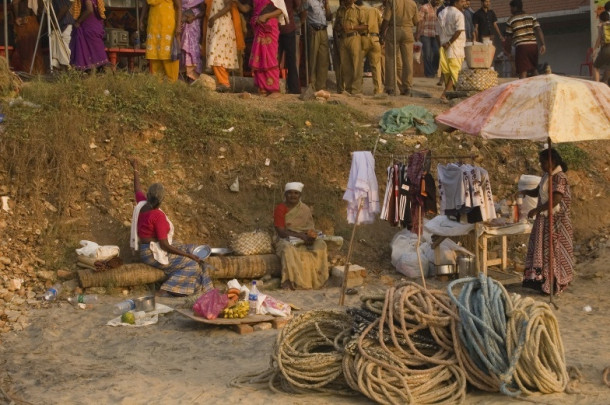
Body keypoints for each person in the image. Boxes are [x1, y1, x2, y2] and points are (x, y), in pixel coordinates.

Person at [129, 159, 213, 296]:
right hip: (152, 253)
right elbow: (164, 246)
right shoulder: (158, 216)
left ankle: (202, 285)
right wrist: (188, 255)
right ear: (162, 200)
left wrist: (135, 168)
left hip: (147, 249)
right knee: (192, 263)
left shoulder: (142, 205)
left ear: (148, 196)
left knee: (192, 248)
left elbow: (137, 189)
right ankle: (166, 290)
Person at [520, 149, 573, 295]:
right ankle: (542, 281)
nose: (541, 164)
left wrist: (536, 210)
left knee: (553, 251)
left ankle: (554, 282)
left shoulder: (559, 177)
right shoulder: (547, 176)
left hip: (556, 221)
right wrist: (525, 192)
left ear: (552, 161)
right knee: (542, 249)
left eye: (543, 161)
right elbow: (538, 191)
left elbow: (556, 199)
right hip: (544, 218)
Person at [274, 182, 329, 290]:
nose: (293, 195)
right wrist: (300, 236)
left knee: (321, 244)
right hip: (285, 238)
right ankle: (291, 282)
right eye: (290, 193)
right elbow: (281, 232)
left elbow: (310, 228)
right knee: (287, 248)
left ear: (300, 195)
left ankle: (319, 280)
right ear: (285, 195)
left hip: (304, 237)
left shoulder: (305, 209)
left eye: (296, 193)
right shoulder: (280, 208)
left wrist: (311, 237)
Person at [247, 0, 289, 97]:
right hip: (259, 28)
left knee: (270, 57)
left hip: (269, 28)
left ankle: (274, 89)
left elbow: (281, 10)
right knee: (259, 56)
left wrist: (265, 16)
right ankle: (262, 88)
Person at [203, 0, 245, 92]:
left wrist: (214, 17)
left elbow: (228, 6)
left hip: (222, 25)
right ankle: (222, 82)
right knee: (217, 55)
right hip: (215, 25)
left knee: (217, 54)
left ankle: (224, 83)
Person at [379, 0, 418, 96]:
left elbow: (386, 19)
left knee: (391, 59)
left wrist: (381, 34)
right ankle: (407, 87)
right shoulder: (413, 3)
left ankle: (390, 87)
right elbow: (416, 21)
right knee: (408, 61)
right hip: (408, 30)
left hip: (394, 29)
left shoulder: (392, 1)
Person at [141, 0, 182, 82]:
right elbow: (145, 3)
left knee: (169, 58)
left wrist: (178, 26)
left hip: (168, 28)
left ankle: (172, 88)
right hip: (154, 26)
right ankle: (158, 90)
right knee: (155, 58)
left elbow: (179, 7)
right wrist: (141, 19)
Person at [505, 0, 545, 79]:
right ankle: (540, 87)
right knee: (534, 69)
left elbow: (508, 38)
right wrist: (543, 44)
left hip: (522, 47)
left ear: (515, 7)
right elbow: (538, 29)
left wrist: (508, 51)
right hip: (533, 46)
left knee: (522, 71)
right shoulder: (531, 17)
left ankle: (523, 90)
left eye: (511, 8)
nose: (510, 10)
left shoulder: (511, 20)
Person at [335, 0, 366, 95]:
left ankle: (356, 90)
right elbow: (336, 26)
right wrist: (340, 27)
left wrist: (352, 27)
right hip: (343, 38)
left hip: (354, 37)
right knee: (345, 65)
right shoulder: (340, 10)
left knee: (356, 64)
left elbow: (365, 26)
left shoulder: (358, 10)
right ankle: (348, 89)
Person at [69, 0, 109, 71]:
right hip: (95, 27)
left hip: (89, 28)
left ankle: (95, 71)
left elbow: (89, 10)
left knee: (93, 51)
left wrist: (78, 21)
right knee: (96, 51)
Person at [437, 0, 465, 102]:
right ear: (456, 2)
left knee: (448, 73)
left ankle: (452, 94)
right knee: (455, 72)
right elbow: (459, 31)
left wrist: (441, 45)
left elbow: (437, 32)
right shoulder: (458, 14)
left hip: (443, 46)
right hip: (455, 47)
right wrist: (449, 43)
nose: (463, 4)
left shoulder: (441, 13)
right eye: (462, 2)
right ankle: (444, 95)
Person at [304, 0, 331, 91]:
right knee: (313, 59)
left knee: (323, 59)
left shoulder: (323, 2)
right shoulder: (309, 1)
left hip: (323, 30)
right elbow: (303, 13)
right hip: (314, 30)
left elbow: (329, 17)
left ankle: (321, 86)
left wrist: (327, 4)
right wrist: (308, 27)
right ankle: (312, 85)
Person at [11, 0, 45, 74]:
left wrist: (17, 18)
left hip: (28, 22)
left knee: (30, 50)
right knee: (30, 50)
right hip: (27, 22)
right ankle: (32, 72)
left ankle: (33, 72)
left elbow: (41, 9)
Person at [359, 0, 382, 95]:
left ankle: (358, 89)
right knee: (376, 66)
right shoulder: (375, 10)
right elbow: (381, 24)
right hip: (375, 38)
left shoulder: (357, 10)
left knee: (359, 65)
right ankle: (378, 90)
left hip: (362, 39)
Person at [279, 0, 301, 94]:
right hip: (287, 27)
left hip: (278, 28)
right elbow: (298, 5)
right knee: (291, 60)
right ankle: (294, 88)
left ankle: (274, 86)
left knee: (275, 59)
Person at [180, 0, 205, 82]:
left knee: (193, 48)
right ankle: (182, 76)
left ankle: (193, 78)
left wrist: (194, 17)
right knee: (182, 48)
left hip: (194, 22)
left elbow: (203, 11)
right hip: (181, 19)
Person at [416, 0, 440, 79]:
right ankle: (429, 73)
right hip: (425, 33)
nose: (438, 2)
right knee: (427, 54)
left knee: (437, 53)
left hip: (434, 34)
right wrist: (417, 34)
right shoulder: (424, 8)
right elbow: (419, 21)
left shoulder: (437, 8)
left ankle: (433, 70)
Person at [51, 0, 75, 71]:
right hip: (59, 25)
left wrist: (56, 21)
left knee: (64, 46)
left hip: (65, 23)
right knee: (57, 44)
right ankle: (59, 65)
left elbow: (65, 7)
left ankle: (67, 66)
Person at [593, 11, 610, 84]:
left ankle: (597, 85)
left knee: (596, 66)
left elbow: (599, 39)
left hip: (606, 48)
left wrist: (595, 49)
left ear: (600, 18)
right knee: (609, 66)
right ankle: (606, 83)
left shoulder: (601, 26)